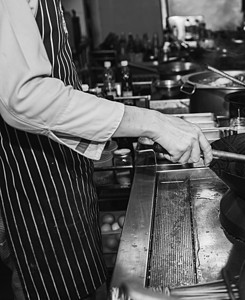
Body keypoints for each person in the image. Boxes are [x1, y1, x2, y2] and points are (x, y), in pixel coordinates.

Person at [0, 0, 213, 299]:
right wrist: (153, 123)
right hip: (29, 189)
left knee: (82, 284)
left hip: (64, 179)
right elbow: (23, 97)